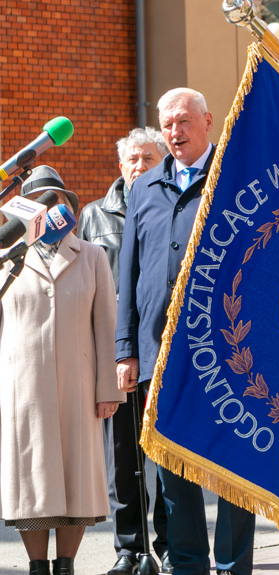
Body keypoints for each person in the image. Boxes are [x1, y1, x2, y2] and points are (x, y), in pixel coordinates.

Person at [115, 88, 255, 575]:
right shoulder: (144, 188)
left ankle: (234, 564)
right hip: (162, 351)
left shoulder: (235, 174)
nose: (175, 132)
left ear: (208, 121)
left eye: (184, 121)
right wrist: (125, 350)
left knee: (235, 465)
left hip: (230, 349)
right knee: (173, 468)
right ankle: (189, 565)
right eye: (167, 124)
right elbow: (127, 277)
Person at [0, 166, 124, 575]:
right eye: (38, 200)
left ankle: (66, 564)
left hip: (79, 385)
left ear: (66, 207)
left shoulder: (93, 256)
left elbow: (107, 325)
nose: (48, 206)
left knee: (76, 479)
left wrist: (109, 387)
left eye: (55, 199)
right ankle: (37, 566)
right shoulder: (5, 259)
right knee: (31, 479)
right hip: (22, 387)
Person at [77, 126, 170, 575]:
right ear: (120, 166)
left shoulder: (171, 205)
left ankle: (171, 543)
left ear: (163, 162)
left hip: (161, 346)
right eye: (131, 159)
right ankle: (129, 548)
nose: (138, 166)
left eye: (148, 159)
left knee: (168, 450)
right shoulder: (94, 216)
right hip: (114, 350)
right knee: (121, 456)